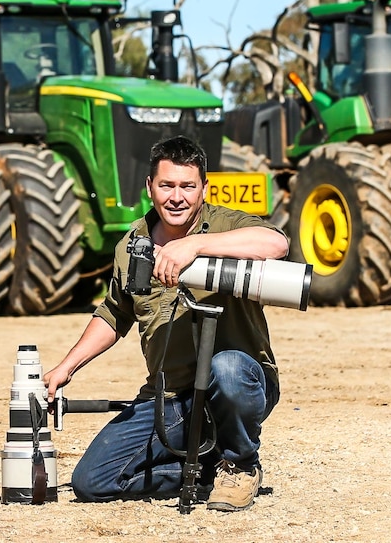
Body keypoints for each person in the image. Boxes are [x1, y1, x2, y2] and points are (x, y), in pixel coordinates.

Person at [43, 135, 289, 511]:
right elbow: (115, 313)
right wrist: (66, 367)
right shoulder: (131, 244)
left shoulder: (224, 224)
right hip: (170, 399)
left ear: (204, 188)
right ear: (150, 187)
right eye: (167, 185)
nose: (177, 197)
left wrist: (194, 247)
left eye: (188, 186)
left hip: (237, 386)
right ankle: (204, 470)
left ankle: (240, 465)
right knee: (92, 482)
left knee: (227, 366)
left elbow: (276, 243)